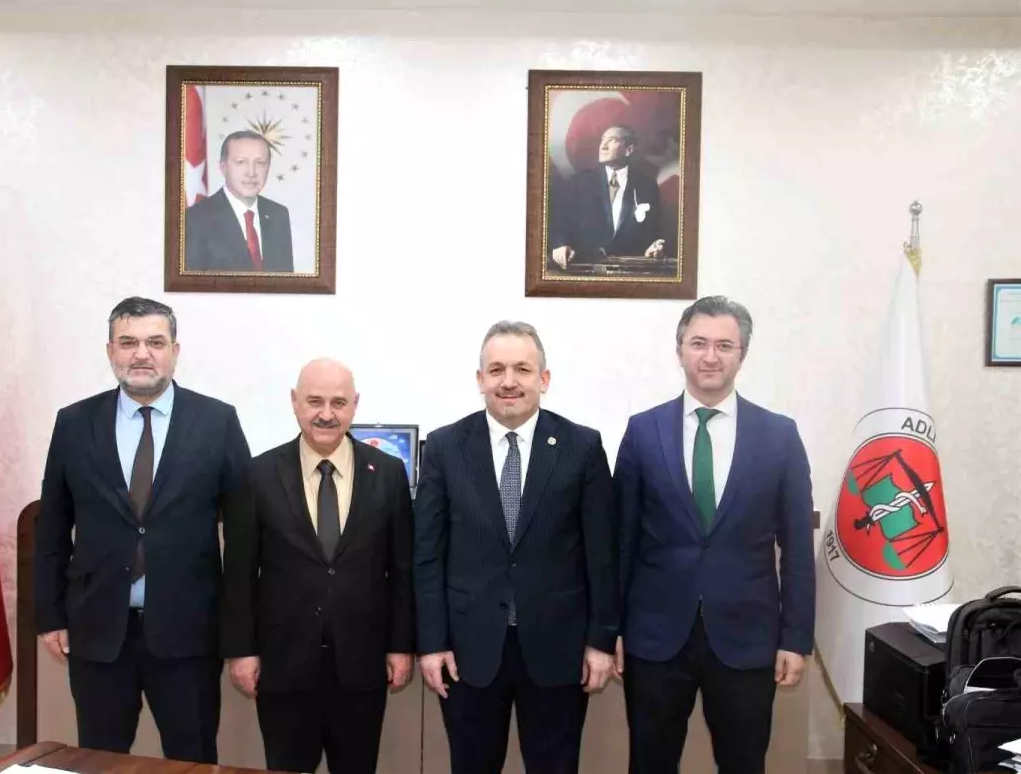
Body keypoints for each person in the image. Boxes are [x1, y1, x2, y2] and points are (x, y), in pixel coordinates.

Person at [34, 296, 251, 763]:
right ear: (110, 350)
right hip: (98, 631)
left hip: (189, 633)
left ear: (175, 350)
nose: (141, 354)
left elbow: (243, 538)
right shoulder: (74, 423)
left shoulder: (217, 422)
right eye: (128, 342)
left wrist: (239, 635)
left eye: (155, 342)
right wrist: (50, 616)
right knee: (99, 759)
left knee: (192, 759)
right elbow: (51, 526)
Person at [612, 296, 815, 774]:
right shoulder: (643, 432)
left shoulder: (779, 436)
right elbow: (620, 543)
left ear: (743, 354)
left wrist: (796, 638)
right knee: (650, 763)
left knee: (743, 764)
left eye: (725, 345)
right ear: (679, 350)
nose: (710, 356)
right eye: (698, 343)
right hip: (655, 638)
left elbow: (797, 550)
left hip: (747, 639)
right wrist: (611, 629)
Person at [413, 321, 618, 774]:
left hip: (558, 649)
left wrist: (601, 642)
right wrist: (431, 643)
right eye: (497, 370)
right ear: (480, 379)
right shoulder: (445, 447)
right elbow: (427, 556)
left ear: (544, 379)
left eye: (522, 369)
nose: (509, 381)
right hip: (468, 651)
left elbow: (602, 555)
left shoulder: (582, 446)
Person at [222, 358, 414, 774]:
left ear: (355, 405)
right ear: (294, 402)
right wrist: (241, 651)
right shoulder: (258, 474)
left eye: (338, 402)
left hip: (362, 664)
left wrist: (400, 646)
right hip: (283, 664)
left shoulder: (388, 473)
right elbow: (239, 572)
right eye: (314, 401)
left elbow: (402, 570)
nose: (326, 414)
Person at [550, 125, 665, 268]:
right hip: (583, 267)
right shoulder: (580, 182)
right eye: (603, 140)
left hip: (629, 270)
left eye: (612, 140)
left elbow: (652, 232)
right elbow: (561, 224)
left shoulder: (647, 186)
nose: (603, 146)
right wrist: (560, 245)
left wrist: (651, 248)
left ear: (629, 150)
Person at [184, 130, 294, 272]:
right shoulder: (194, 219)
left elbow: (285, 280)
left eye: (260, 163)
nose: (251, 173)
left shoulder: (278, 214)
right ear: (223, 167)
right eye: (241, 162)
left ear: (268, 167)